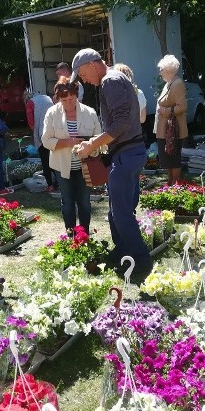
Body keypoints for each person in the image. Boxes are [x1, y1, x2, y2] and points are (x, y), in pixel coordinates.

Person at [70, 48, 153, 280]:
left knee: (121, 213)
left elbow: (120, 125)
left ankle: (141, 260)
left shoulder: (110, 81)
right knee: (115, 212)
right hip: (127, 153)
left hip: (127, 154)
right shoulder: (114, 79)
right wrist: (97, 144)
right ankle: (123, 251)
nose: (83, 80)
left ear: (92, 64)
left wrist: (91, 145)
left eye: (82, 74)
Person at [42, 77, 101, 234]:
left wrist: (90, 147)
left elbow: (99, 138)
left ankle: (83, 235)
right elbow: (46, 141)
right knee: (67, 202)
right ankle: (70, 236)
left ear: (77, 95)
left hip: (85, 166)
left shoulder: (90, 112)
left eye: (71, 98)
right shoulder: (52, 113)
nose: (68, 102)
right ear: (58, 98)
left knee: (84, 202)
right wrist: (68, 142)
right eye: (64, 99)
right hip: (62, 166)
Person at [154, 54, 188, 185]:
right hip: (165, 129)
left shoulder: (177, 83)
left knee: (173, 157)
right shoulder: (169, 83)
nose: (160, 72)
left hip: (173, 130)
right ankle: (170, 182)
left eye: (161, 69)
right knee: (167, 158)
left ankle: (175, 183)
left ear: (168, 70)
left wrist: (165, 111)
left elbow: (182, 106)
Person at [24, 90, 55, 191]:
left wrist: (35, 133)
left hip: (41, 134)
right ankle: (61, 182)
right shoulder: (48, 98)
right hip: (54, 131)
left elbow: (31, 122)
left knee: (45, 161)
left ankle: (50, 185)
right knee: (55, 159)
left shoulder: (30, 103)